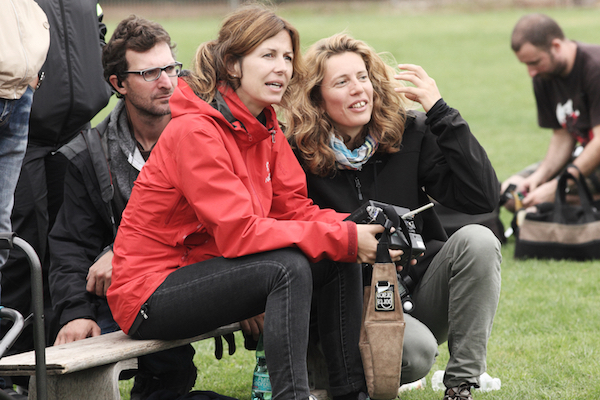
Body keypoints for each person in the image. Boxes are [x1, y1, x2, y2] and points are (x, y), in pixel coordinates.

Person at [106, 5, 399, 400]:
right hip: (148, 293)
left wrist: (356, 228)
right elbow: (239, 233)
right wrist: (343, 236)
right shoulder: (196, 131)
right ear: (233, 64)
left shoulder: (267, 127)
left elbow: (295, 209)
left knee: (335, 252)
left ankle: (351, 393)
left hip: (206, 271)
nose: (282, 68)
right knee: (288, 267)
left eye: (288, 58)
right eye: (268, 55)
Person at [284, 34, 502, 400]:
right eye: (342, 82)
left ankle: (462, 385)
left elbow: (481, 196)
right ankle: (330, 372)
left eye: (363, 77)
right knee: (414, 354)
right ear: (316, 98)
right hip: (342, 308)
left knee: (478, 241)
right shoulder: (295, 152)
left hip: (412, 291)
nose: (359, 90)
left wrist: (441, 113)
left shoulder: (408, 131)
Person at [47, 16, 196, 399]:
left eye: (170, 68)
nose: (166, 82)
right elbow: (70, 246)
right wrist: (75, 312)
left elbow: (221, 222)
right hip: (129, 297)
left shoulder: (202, 134)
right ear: (119, 84)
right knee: (71, 332)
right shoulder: (88, 155)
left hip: (197, 278)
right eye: (149, 73)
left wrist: (124, 252)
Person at [0, 0, 113, 369]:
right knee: (21, 251)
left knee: (70, 246)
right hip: (23, 129)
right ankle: (15, 365)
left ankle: (58, 359)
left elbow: (95, 23)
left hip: (77, 130)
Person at [501, 13, 600, 212]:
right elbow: (563, 135)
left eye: (535, 62)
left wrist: (557, 186)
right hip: (586, 156)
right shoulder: (544, 77)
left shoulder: (594, 68)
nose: (531, 72)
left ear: (556, 46)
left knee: (543, 200)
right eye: (526, 64)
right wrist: (540, 177)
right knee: (513, 195)